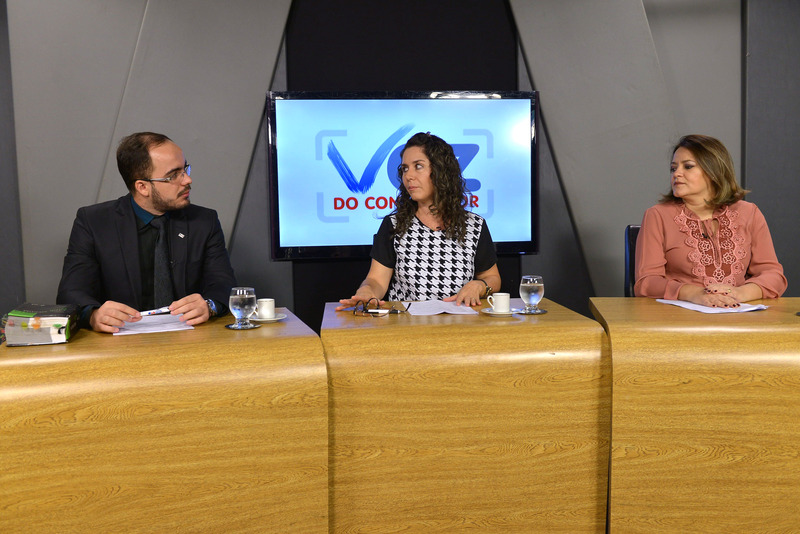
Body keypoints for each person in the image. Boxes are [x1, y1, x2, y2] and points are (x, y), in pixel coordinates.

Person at [57, 132, 237, 332]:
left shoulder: (204, 221)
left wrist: (209, 306)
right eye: (173, 175)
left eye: (185, 169)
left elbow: (223, 285)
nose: (187, 179)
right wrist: (93, 315)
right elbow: (71, 293)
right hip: (120, 341)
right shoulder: (94, 222)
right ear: (142, 187)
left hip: (189, 339)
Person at [337, 132, 501, 310]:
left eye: (418, 166)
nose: (408, 176)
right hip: (407, 324)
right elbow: (376, 280)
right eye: (405, 168)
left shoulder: (474, 225)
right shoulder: (395, 225)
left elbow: (492, 278)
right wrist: (367, 291)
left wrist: (480, 286)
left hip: (461, 323)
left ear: (441, 171)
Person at [634, 134, 786, 307]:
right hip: (679, 316)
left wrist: (739, 293)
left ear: (713, 171)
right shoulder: (657, 215)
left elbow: (773, 275)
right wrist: (692, 294)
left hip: (736, 313)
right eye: (673, 168)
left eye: (688, 166)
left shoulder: (749, 213)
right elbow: (646, 282)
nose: (677, 174)